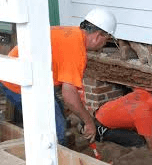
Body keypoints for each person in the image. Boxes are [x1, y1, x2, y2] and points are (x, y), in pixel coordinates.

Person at [0, 8, 117, 145]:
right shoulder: (76, 50)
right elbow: (69, 96)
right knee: (55, 131)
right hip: (19, 82)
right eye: (106, 40)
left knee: (58, 113)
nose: (104, 44)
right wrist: (88, 122)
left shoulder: (72, 33)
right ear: (98, 36)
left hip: (26, 75)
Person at [81, 87, 152, 151]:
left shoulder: (145, 93)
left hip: (100, 112)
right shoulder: (146, 116)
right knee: (139, 141)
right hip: (101, 125)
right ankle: (102, 134)